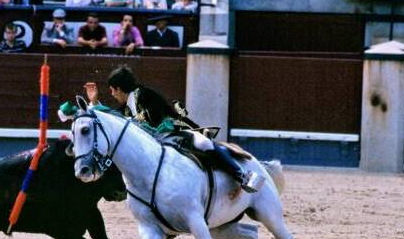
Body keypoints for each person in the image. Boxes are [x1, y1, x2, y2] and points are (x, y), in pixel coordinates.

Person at [71, 66, 263, 193]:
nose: (112, 95)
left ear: (119, 88)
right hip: (156, 142)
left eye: (112, 91)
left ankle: (242, 176)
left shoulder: (145, 95)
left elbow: (153, 121)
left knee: (204, 143)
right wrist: (94, 103)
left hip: (174, 132)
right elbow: (115, 119)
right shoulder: (129, 105)